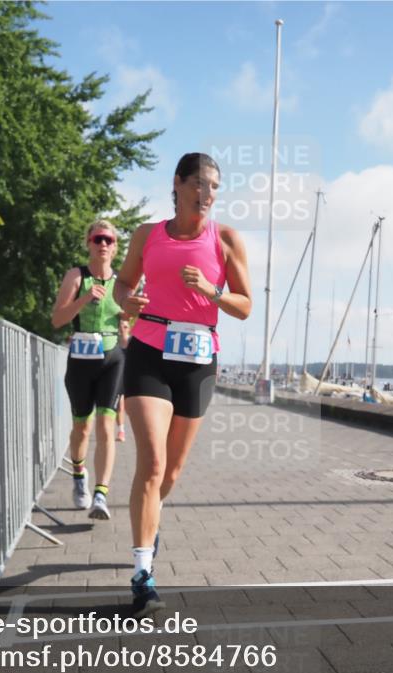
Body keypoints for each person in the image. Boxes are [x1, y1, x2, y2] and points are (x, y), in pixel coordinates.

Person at [115, 153, 252, 617]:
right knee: (152, 464)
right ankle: (142, 575)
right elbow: (123, 285)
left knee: (170, 475)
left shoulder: (226, 239)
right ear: (177, 184)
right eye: (198, 183)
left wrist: (212, 291)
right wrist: (129, 302)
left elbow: (245, 305)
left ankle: (149, 524)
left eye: (214, 186)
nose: (207, 193)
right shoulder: (147, 235)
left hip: (197, 360)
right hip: (149, 351)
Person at [51, 219, 126, 521]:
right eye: (98, 239)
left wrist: (130, 321)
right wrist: (84, 298)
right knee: (82, 427)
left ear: (116, 246)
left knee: (107, 426)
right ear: (88, 243)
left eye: (108, 240)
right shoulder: (76, 276)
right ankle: (79, 474)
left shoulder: (122, 283)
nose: (103, 245)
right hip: (81, 361)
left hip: (112, 359)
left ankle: (100, 494)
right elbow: (57, 319)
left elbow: (130, 325)